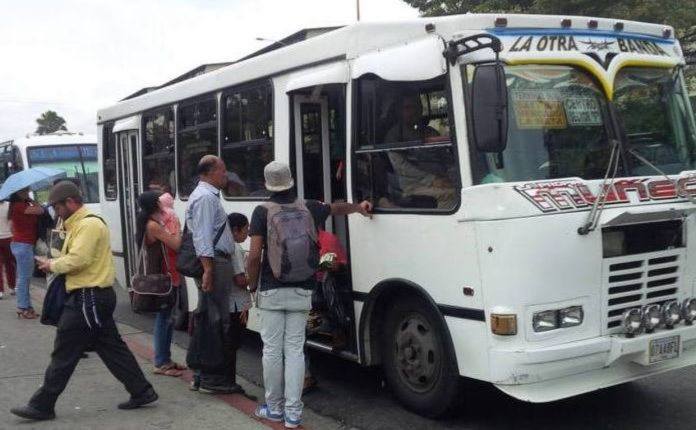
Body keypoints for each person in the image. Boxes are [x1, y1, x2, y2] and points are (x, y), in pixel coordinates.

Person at [11, 181, 157, 422]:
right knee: (110, 346)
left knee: (65, 350)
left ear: (70, 202)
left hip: (88, 296)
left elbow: (79, 258)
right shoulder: (76, 223)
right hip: (90, 296)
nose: (56, 212)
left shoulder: (88, 224)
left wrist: (51, 265)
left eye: (58, 207)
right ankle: (142, 390)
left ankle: (42, 404)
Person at [249, 161, 372, 429]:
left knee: (272, 350)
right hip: (303, 287)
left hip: (271, 289)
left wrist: (251, 285)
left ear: (267, 183)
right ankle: (293, 414)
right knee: (294, 349)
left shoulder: (261, 211)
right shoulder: (309, 207)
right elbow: (336, 207)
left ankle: (274, 408)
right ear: (291, 180)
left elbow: (255, 255)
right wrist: (358, 207)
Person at [186, 155, 247, 395]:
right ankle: (213, 377)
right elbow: (202, 236)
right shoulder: (205, 198)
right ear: (210, 171)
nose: (226, 174)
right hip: (214, 263)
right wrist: (209, 269)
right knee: (215, 321)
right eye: (223, 170)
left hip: (214, 262)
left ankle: (203, 375)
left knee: (209, 318)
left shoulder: (208, 196)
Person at [135, 191, 186, 377]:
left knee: (168, 319)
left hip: (168, 276)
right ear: (156, 204)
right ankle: (161, 362)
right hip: (163, 278)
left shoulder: (149, 223)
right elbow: (176, 244)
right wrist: (177, 226)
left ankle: (166, 359)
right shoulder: (153, 226)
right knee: (164, 320)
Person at [383, 94, 457, 209]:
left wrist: (452, 174)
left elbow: (446, 157)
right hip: (413, 185)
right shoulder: (394, 136)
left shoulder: (430, 132)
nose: (413, 111)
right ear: (399, 111)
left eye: (416, 107)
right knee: (453, 195)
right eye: (407, 108)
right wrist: (432, 180)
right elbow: (401, 167)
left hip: (441, 178)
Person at [226, 212, 253, 392]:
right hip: (237, 305)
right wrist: (255, 275)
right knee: (233, 345)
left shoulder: (227, 244)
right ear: (236, 230)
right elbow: (240, 280)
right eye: (246, 229)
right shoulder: (234, 248)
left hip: (231, 302)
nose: (248, 234)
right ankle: (230, 383)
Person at [9, 188, 44, 318]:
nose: (27, 193)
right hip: (24, 245)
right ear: (17, 193)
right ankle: (23, 307)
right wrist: (32, 200)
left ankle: (26, 306)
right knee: (25, 278)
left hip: (20, 243)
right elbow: (41, 210)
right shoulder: (20, 206)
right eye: (24, 191)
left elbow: (12, 227)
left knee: (24, 277)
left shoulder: (15, 206)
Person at [0, 200, 16, 299]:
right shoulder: (10, 205)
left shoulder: (10, 205)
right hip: (9, 237)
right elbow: (12, 223)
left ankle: (0, 290)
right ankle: (12, 287)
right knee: (10, 264)